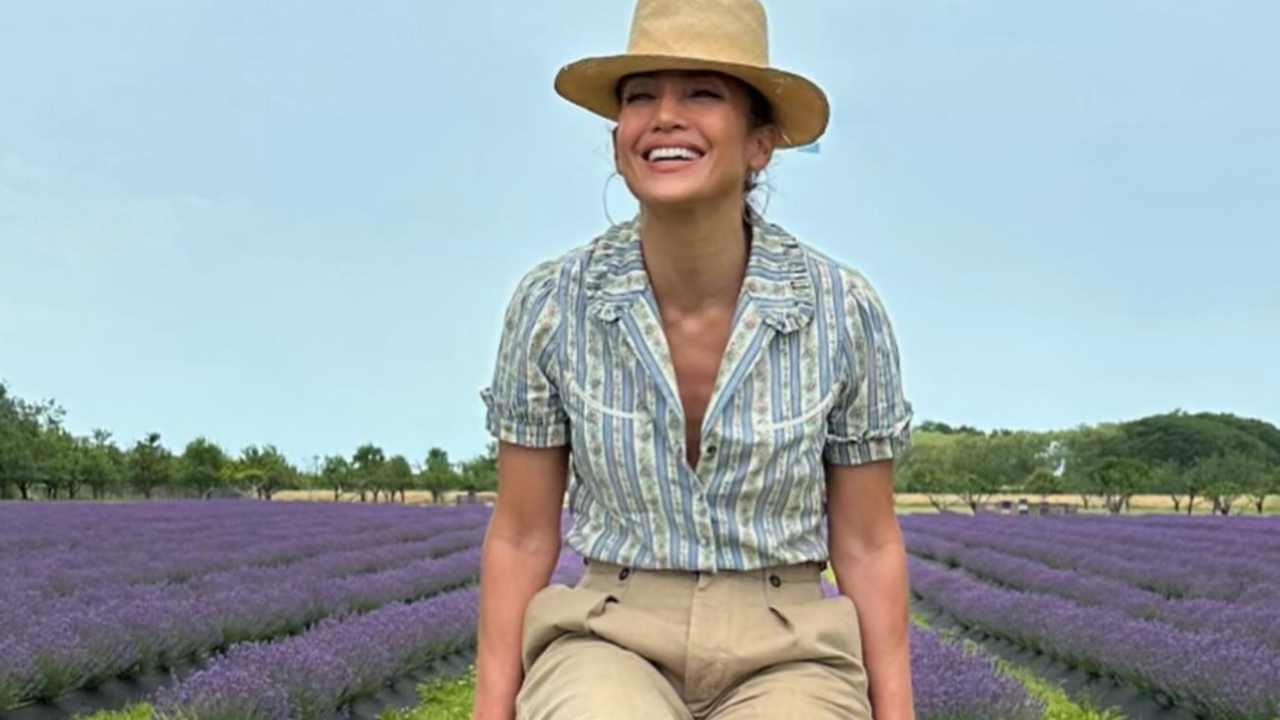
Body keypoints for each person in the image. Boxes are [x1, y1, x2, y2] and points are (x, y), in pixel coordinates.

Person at [473, 0, 915, 718]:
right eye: (640, 95)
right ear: (619, 136)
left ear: (760, 143)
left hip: (790, 645)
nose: (664, 116)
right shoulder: (553, 303)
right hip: (608, 635)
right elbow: (522, 534)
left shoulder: (841, 309)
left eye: (702, 93)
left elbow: (866, 543)